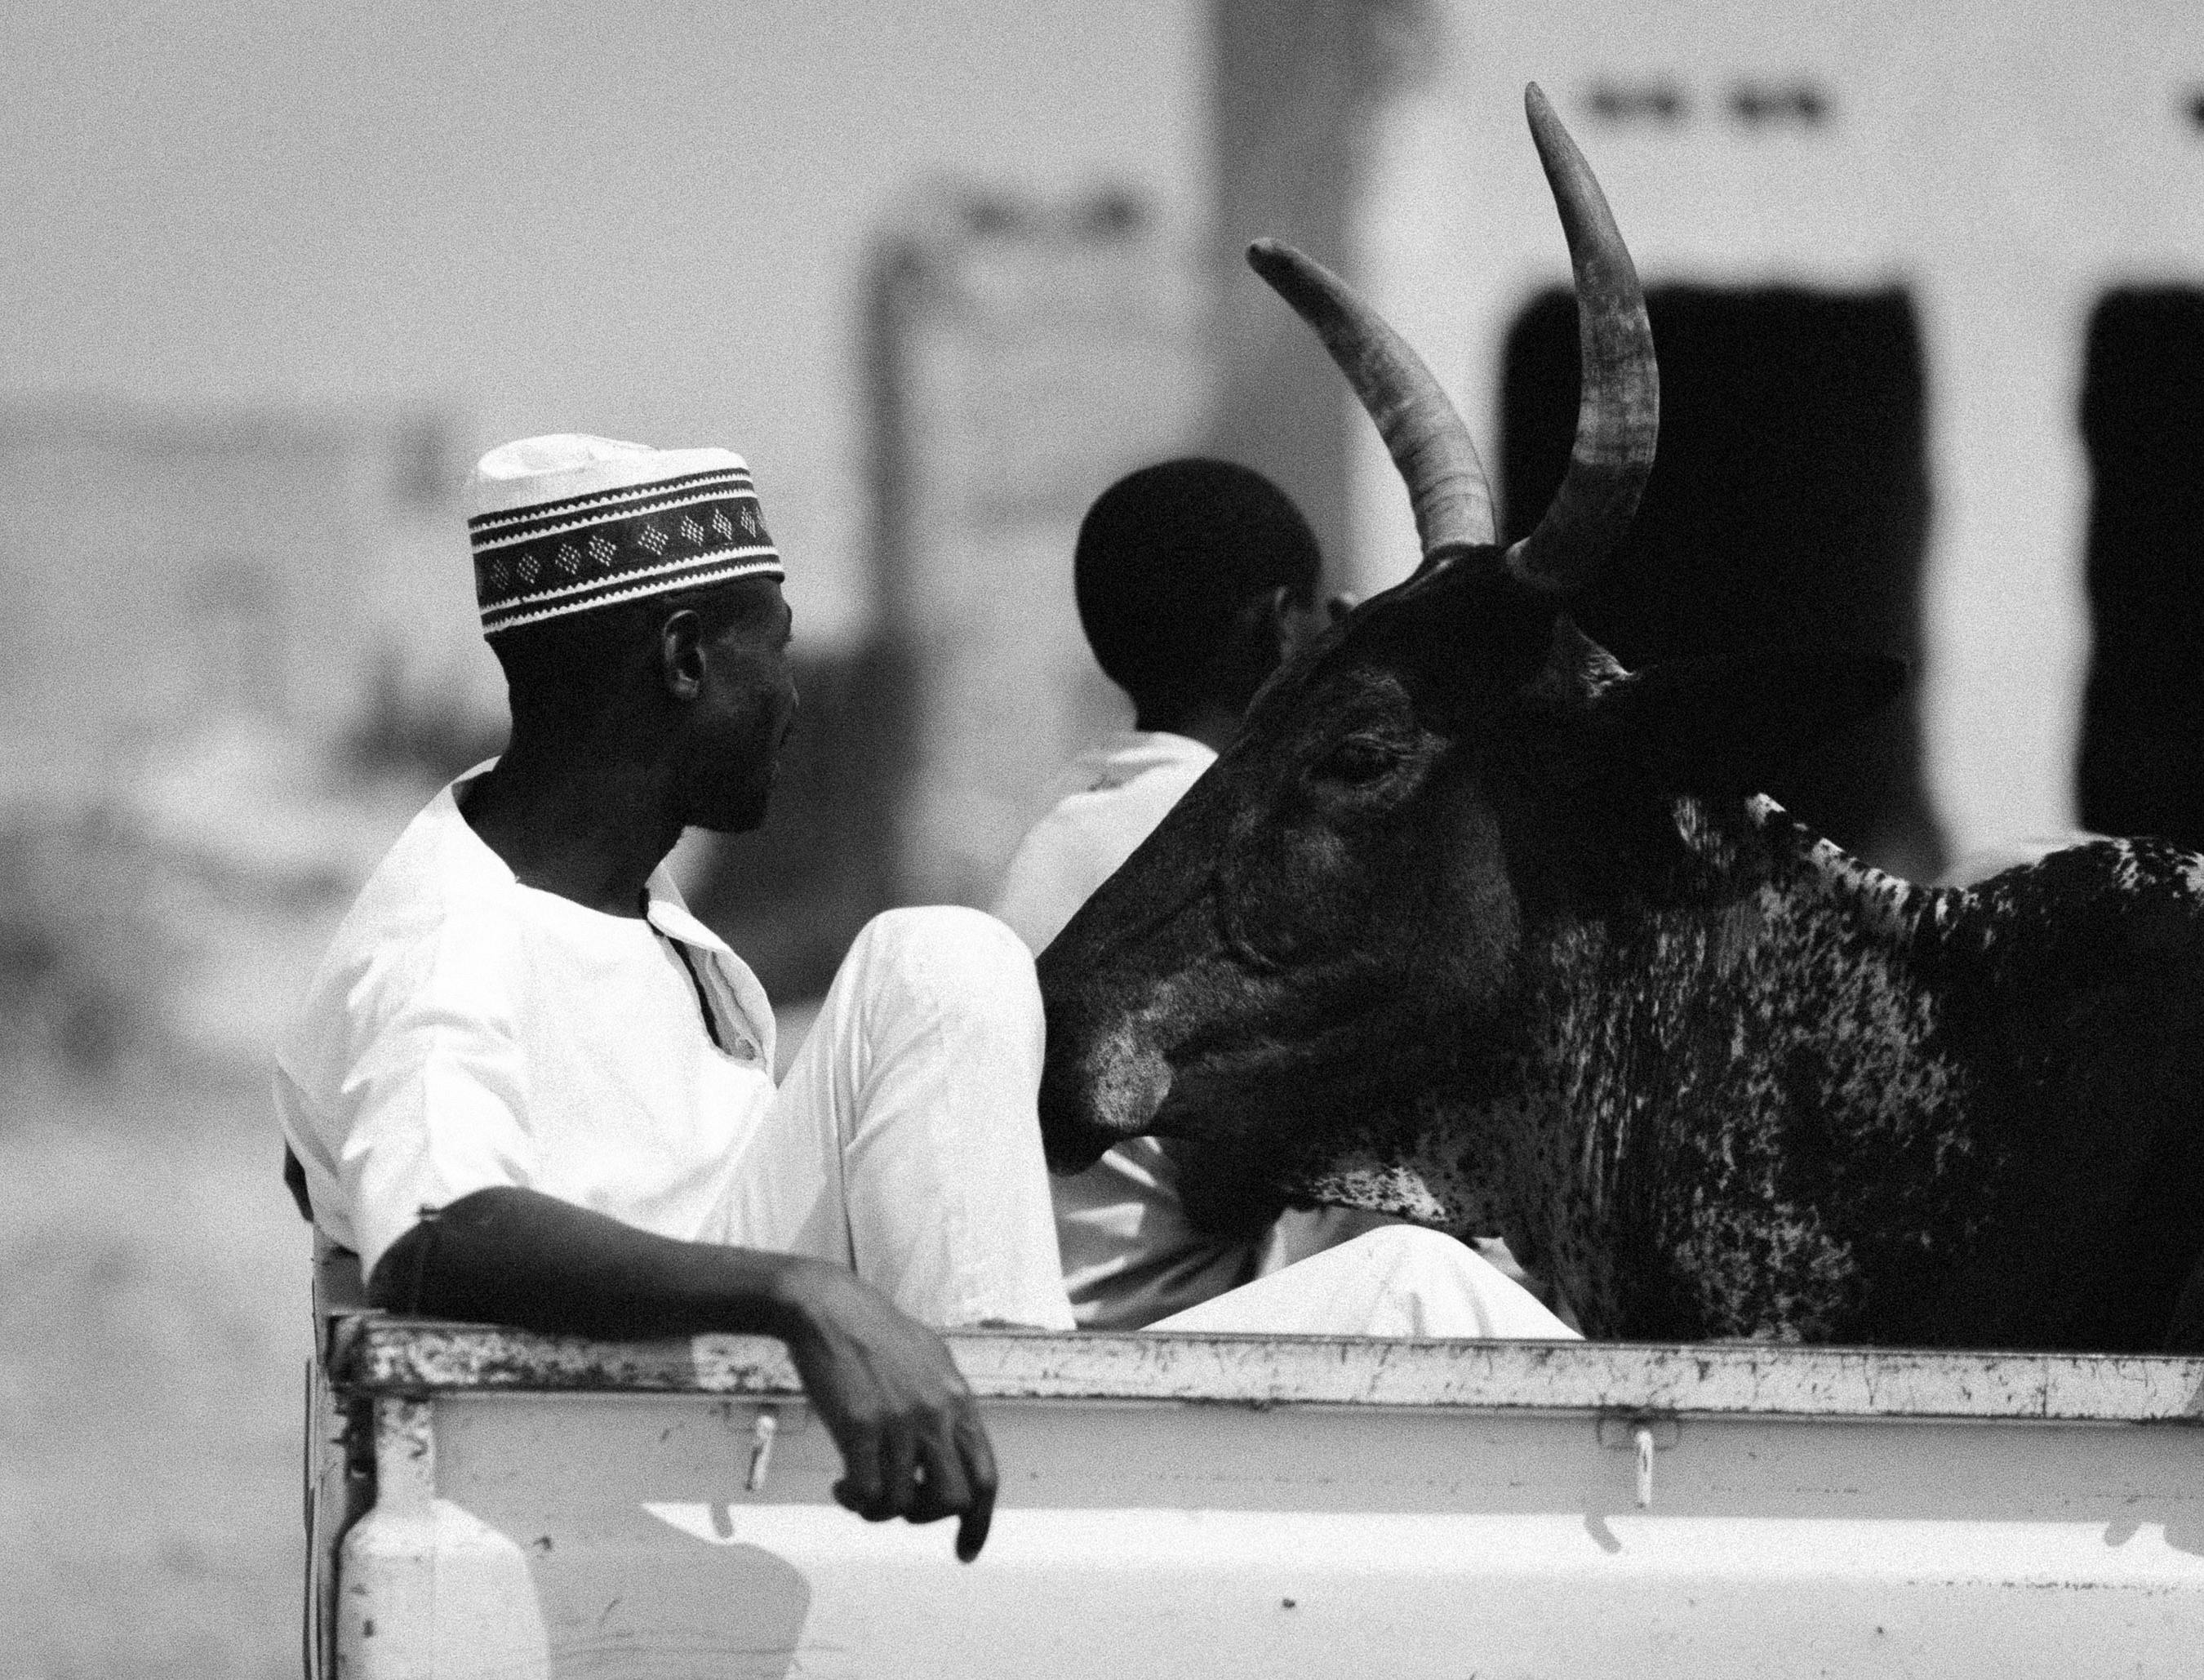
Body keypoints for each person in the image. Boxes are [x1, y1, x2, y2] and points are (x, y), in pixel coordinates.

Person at [277, 435, 1072, 1564]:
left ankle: (1030, 1445)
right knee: (939, 962)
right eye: (776, 651)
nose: (793, 700)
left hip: (722, 1410)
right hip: (628, 1463)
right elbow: (436, 1231)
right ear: (687, 658)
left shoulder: (626, 899)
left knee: (1392, 1284)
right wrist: (803, 1295)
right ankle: (1043, 1508)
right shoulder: (445, 937)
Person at [993, 459, 1571, 1338]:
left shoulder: (1065, 821)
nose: (1336, 626)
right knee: (1427, 1273)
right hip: (1148, 1348)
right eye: (1319, 614)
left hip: (1074, 1334)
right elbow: (1222, 1188)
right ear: (1274, 629)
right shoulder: (1201, 843)